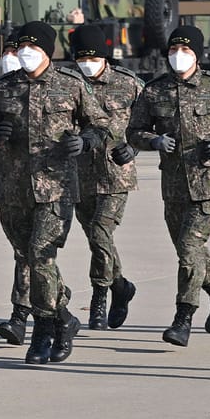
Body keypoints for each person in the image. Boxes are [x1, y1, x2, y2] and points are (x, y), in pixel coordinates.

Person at [0, 21, 111, 365]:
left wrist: (86, 140)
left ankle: (44, 330)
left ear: (49, 51)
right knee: (29, 257)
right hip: (13, 190)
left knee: (40, 255)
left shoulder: (71, 85)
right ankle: (65, 317)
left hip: (56, 189)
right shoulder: (0, 89)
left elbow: (101, 125)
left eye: (33, 47)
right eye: (20, 48)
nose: (25, 53)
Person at [126, 25, 210, 347]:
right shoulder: (154, 91)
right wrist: (154, 140)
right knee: (186, 249)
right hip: (174, 184)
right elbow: (134, 130)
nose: (179, 57)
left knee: (189, 249)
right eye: (174, 51)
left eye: (186, 51)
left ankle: (183, 317)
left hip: (208, 183)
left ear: (198, 55)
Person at [69, 24, 141, 330]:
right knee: (98, 240)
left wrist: (134, 146)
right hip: (79, 174)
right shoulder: (68, 84)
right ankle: (120, 285)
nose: (87, 62)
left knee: (100, 233)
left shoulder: (129, 85)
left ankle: (99, 297)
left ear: (104, 57)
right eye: (81, 57)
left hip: (115, 173)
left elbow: (150, 121)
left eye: (93, 57)